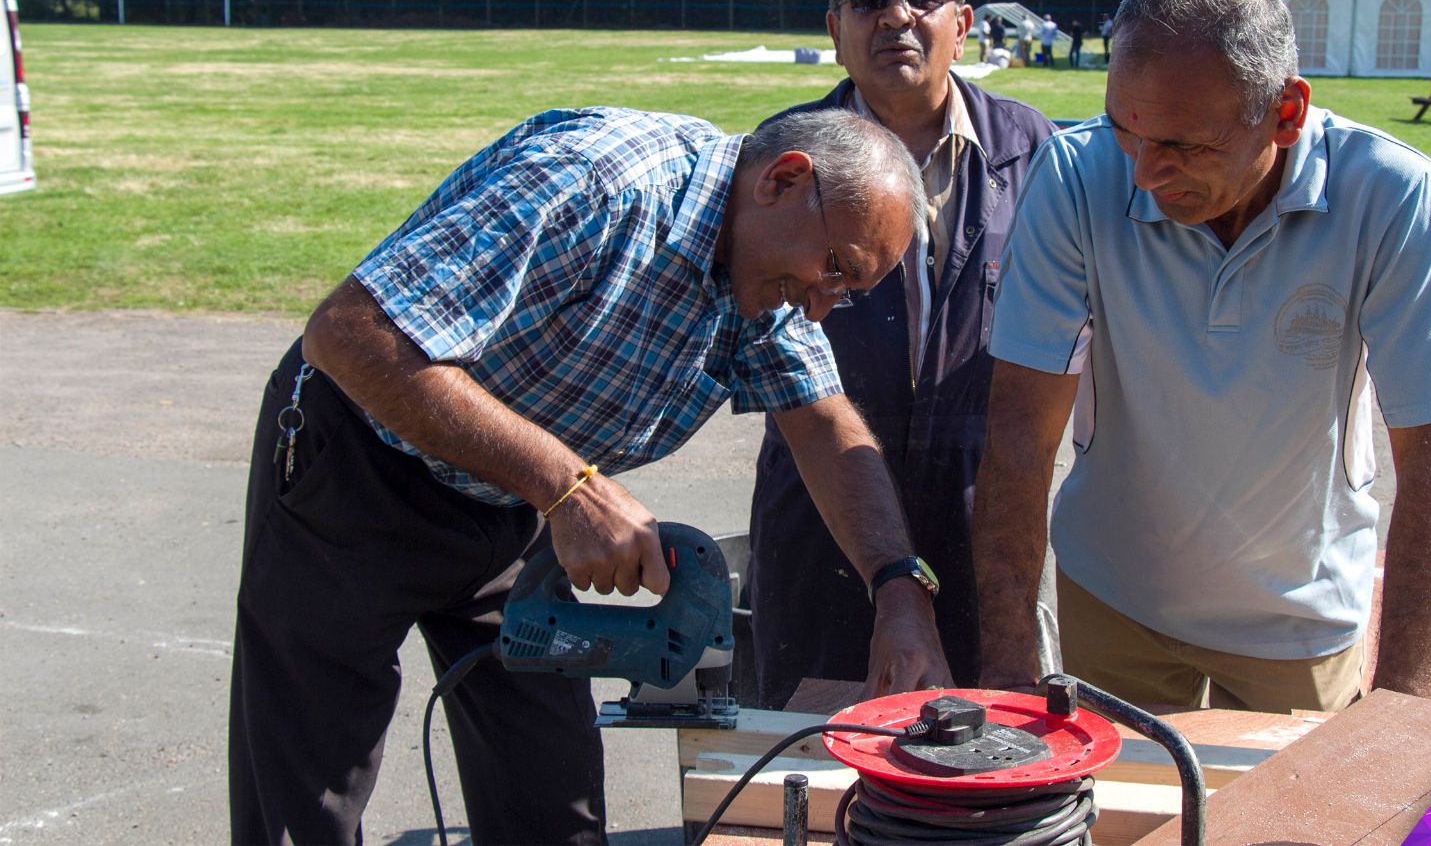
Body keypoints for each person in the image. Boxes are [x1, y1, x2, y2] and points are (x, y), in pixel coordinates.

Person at [228, 105, 953, 845]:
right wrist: (568, 487)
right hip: (359, 466)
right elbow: (348, 332)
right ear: (784, 179)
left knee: (552, 800)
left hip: (514, 490)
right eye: (836, 268)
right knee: (305, 799)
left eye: (850, 289)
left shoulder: (766, 272)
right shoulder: (598, 183)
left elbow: (825, 426)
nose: (825, 305)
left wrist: (900, 587)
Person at [973, 0, 1431, 715]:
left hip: (1301, 620)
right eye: (1125, 130)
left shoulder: (1388, 194)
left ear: (1286, 112)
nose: (1144, 173)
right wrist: (1011, 670)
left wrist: (1404, 716)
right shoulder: (1079, 177)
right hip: (1116, 599)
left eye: (1187, 145)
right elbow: (1020, 429)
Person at [747, 0, 1057, 710]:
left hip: (981, 520)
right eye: (869, 0)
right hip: (823, 515)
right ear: (834, 26)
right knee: (812, 760)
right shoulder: (782, 156)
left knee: (978, 760)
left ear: (964, 21)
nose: (896, 16)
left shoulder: (1042, 154)